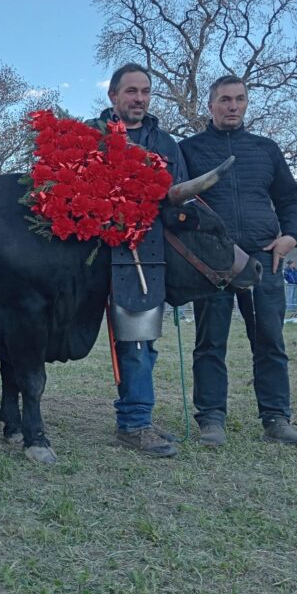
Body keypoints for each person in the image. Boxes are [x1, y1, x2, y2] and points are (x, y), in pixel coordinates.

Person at [180, 75, 297, 447]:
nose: (232, 106)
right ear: (210, 105)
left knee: (269, 340)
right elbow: (177, 204)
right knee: (210, 342)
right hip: (214, 264)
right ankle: (211, 420)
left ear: (246, 103)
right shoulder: (188, 150)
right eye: (225, 99)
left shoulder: (266, 149)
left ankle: (276, 420)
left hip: (263, 260)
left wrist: (290, 237)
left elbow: (288, 199)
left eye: (239, 99)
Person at [87, 64, 188, 458]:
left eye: (145, 91)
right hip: (94, 255)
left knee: (142, 343)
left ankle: (136, 419)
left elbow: (179, 200)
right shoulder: (91, 136)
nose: (140, 98)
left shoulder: (165, 143)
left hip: (144, 256)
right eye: (131, 91)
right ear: (113, 95)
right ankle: (135, 418)